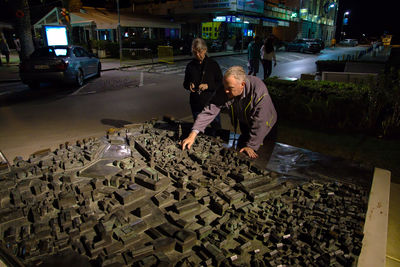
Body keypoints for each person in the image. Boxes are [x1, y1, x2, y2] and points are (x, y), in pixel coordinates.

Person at [182, 66, 277, 159]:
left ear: (242, 85)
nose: (226, 91)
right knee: (243, 148)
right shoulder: (226, 88)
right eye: (224, 87)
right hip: (245, 121)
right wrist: (193, 134)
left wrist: (251, 146)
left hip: (266, 124)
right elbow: (210, 110)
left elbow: (261, 121)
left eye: (230, 88)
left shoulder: (259, 92)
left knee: (261, 153)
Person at [183, 38, 223, 135]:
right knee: (198, 131)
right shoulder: (190, 66)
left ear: (205, 50)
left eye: (200, 52)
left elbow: (220, 83)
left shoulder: (213, 64)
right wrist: (189, 85)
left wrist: (208, 86)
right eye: (195, 52)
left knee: (217, 130)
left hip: (211, 103)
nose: (197, 55)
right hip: (196, 103)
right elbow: (185, 83)